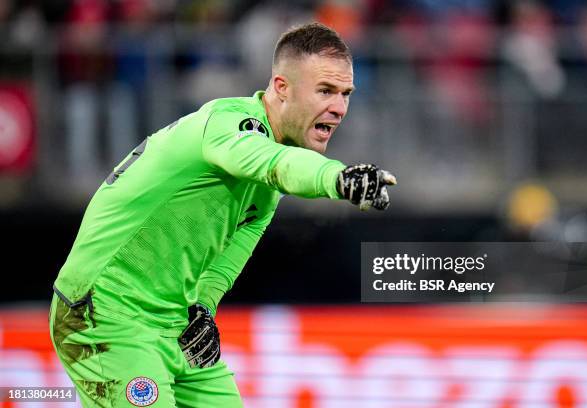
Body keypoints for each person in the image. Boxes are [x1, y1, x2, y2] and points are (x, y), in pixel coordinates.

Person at [49, 22, 396, 407]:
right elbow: (271, 162)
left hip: (173, 320)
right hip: (105, 311)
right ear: (281, 88)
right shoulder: (229, 123)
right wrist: (337, 178)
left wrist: (203, 306)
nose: (339, 107)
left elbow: (234, 248)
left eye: (345, 93)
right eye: (326, 91)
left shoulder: (270, 175)